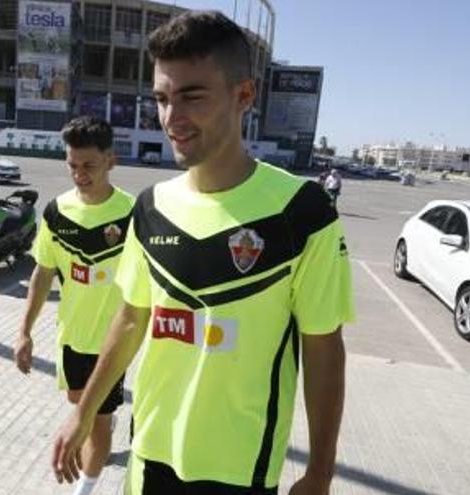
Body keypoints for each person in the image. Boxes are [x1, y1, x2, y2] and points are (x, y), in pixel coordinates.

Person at [51, 11, 354, 495]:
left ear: (244, 96)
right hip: (151, 455)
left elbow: (323, 350)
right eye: (162, 99)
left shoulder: (303, 211)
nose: (172, 117)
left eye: (192, 96)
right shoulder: (152, 207)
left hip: (241, 469)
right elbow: (130, 320)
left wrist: (320, 471)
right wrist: (82, 413)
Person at [14, 116, 134, 495]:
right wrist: (24, 332)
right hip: (71, 338)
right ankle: (105, 423)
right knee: (76, 401)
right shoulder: (56, 212)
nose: (79, 174)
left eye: (89, 166)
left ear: (111, 160)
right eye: (72, 165)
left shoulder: (134, 214)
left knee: (94, 422)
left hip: (113, 344)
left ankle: (86, 488)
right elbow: (42, 273)